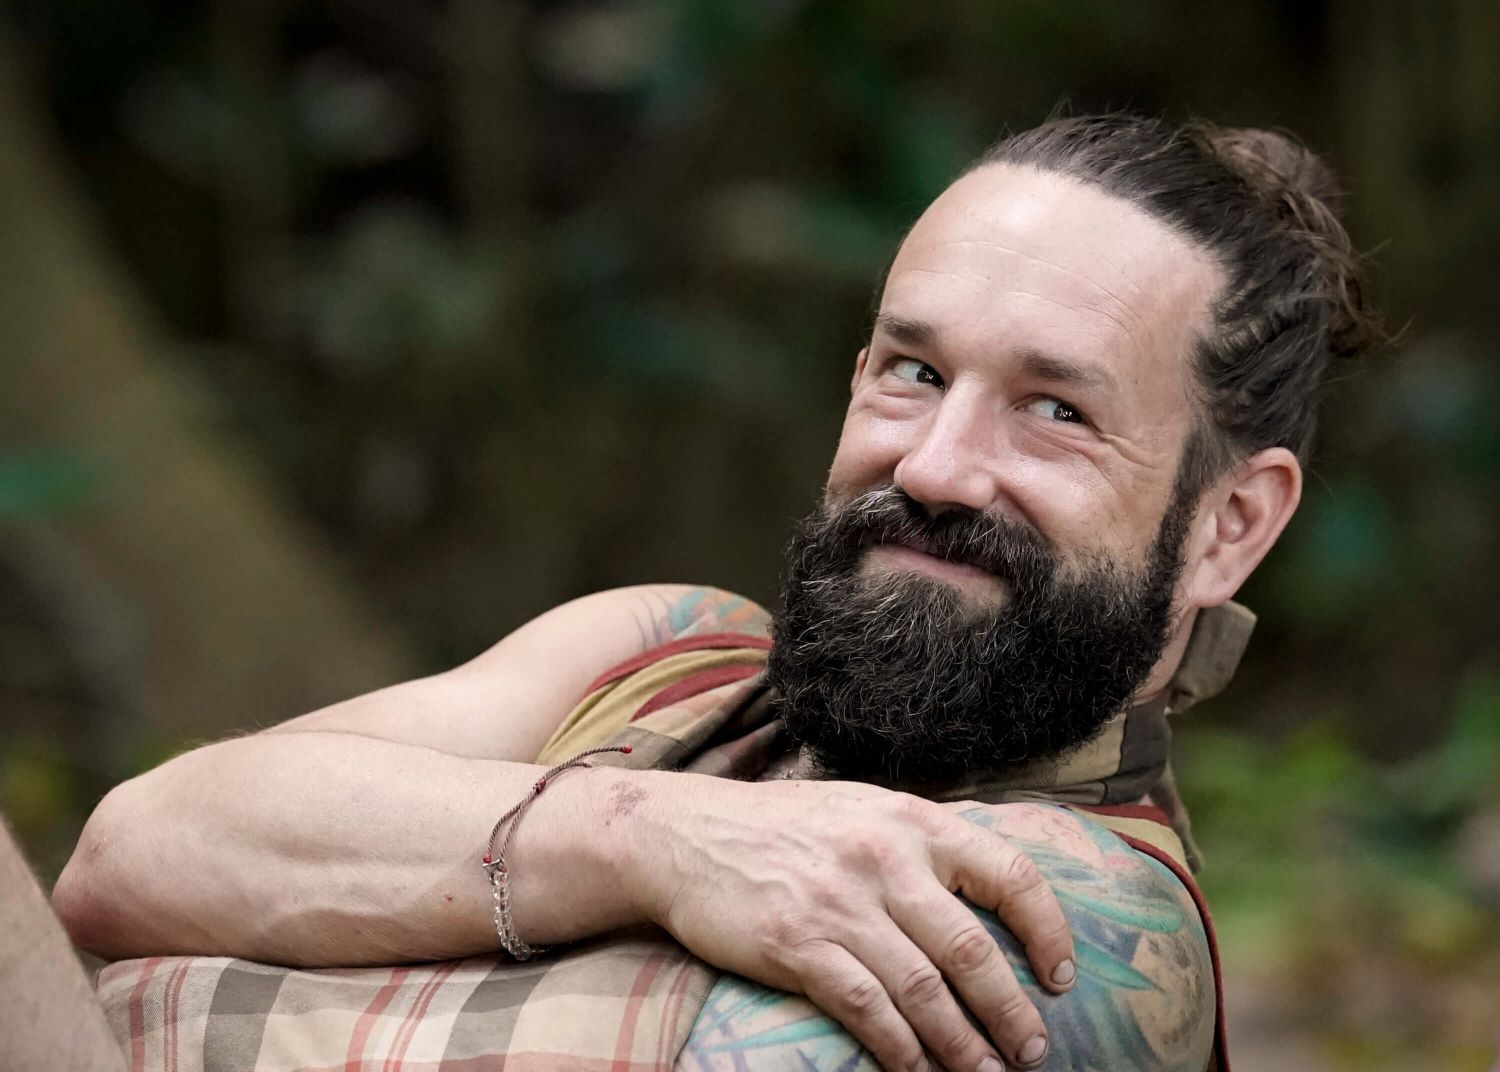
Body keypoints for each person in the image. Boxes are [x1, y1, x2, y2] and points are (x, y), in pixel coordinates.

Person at [51, 113, 1378, 1072]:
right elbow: (127, 859)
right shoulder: (665, 646)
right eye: (911, 372)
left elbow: (124, 945)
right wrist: (646, 839)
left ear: (1228, 524)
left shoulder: (1083, 923)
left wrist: (163, 981)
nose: (933, 464)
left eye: (1054, 409)